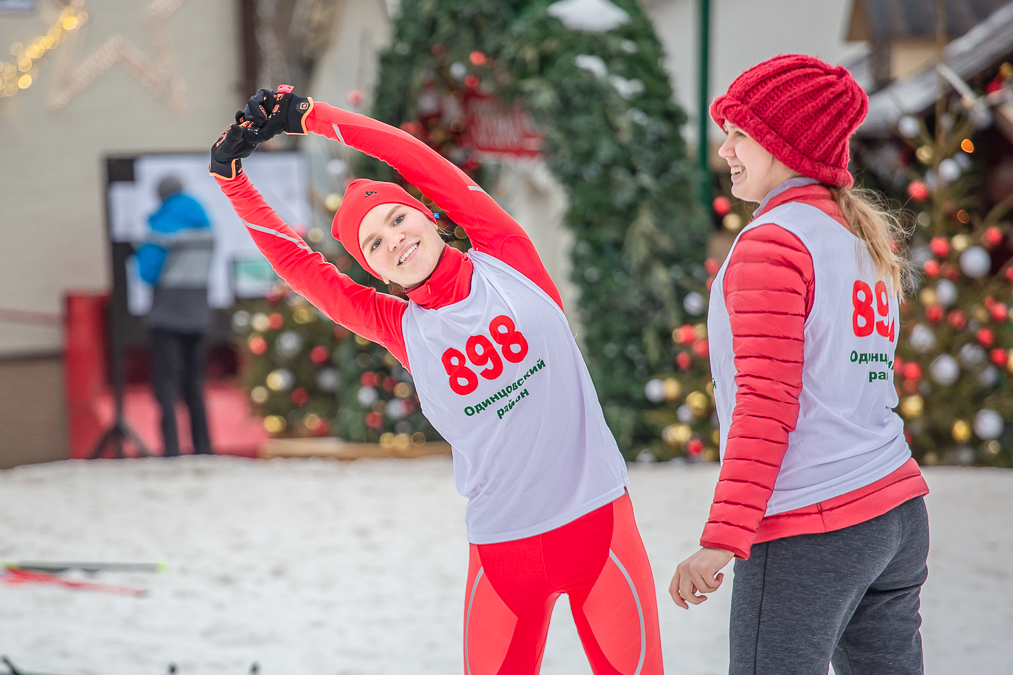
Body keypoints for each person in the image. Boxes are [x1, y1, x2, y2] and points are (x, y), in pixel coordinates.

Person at [210, 87, 664, 674]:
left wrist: (313, 118)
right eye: (373, 243)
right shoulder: (399, 327)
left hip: (597, 525)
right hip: (504, 551)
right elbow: (302, 267)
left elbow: (413, 159)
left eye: (397, 217)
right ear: (371, 268)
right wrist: (231, 180)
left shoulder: (505, 256)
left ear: (427, 215)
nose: (394, 239)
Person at [668, 55, 930, 675]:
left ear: (785, 143)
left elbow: (767, 401)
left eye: (741, 132)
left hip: (812, 524)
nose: (725, 148)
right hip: (893, 511)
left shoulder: (774, 243)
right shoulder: (855, 239)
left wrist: (722, 538)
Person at [136, 176, 215, 457]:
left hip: (167, 316)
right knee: (195, 385)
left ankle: (171, 451)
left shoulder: (160, 226)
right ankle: (203, 448)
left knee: (167, 387)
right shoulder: (207, 225)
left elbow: (146, 273)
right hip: (198, 314)